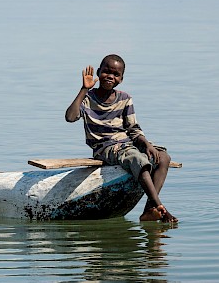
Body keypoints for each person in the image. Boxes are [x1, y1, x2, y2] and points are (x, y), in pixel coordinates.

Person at [65, 54, 178, 223]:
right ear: (98, 72)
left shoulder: (125, 98)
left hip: (127, 143)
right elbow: (70, 117)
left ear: (121, 79)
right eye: (106, 72)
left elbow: (133, 129)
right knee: (137, 159)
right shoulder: (87, 99)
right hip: (105, 147)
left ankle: (149, 210)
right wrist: (84, 89)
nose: (110, 76)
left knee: (163, 157)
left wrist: (146, 144)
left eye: (116, 74)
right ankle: (160, 206)